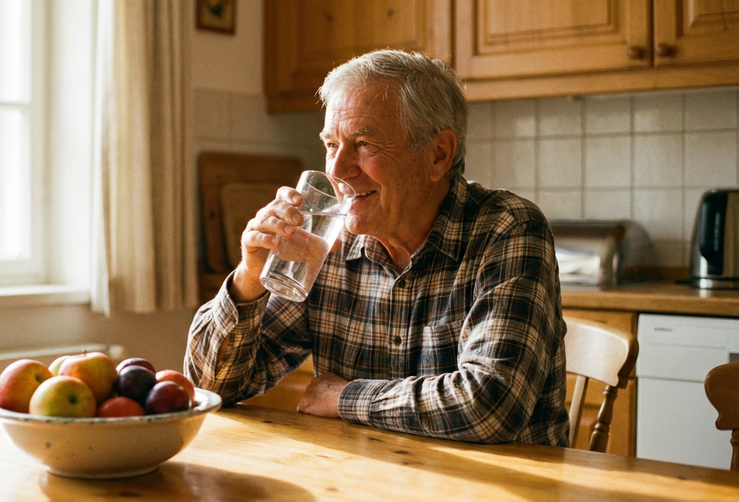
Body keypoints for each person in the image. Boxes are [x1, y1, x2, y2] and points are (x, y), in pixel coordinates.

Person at [184, 49, 569, 446]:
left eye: (363, 144)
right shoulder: (329, 241)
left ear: (438, 155)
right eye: (331, 145)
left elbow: (490, 406)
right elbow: (212, 386)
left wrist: (345, 398)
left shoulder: (506, 229)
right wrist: (250, 279)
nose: (336, 170)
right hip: (363, 479)